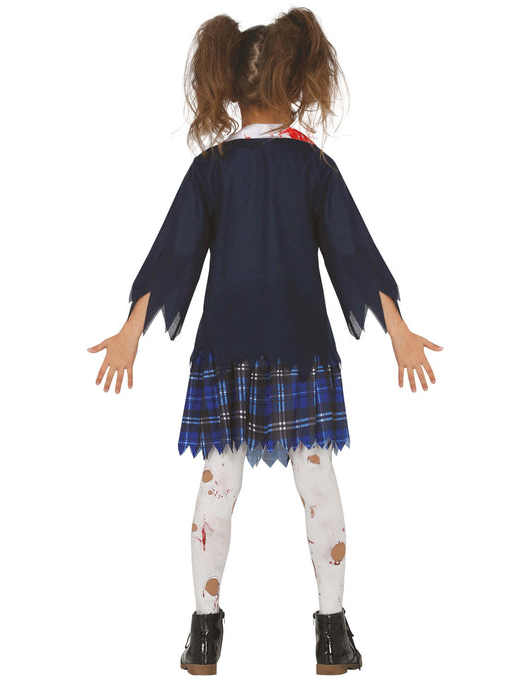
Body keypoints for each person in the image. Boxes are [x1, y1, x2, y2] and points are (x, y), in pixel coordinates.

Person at [88, 7, 443, 676]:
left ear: (229, 84)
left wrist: (131, 330)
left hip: (225, 352)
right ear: (296, 80)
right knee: (319, 484)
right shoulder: (314, 166)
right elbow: (352, 253)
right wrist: (396, 328)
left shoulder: (212, 167)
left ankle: (203, 631)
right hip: (301, 351)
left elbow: (174, 255)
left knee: (216, 486)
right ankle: (331, 631)